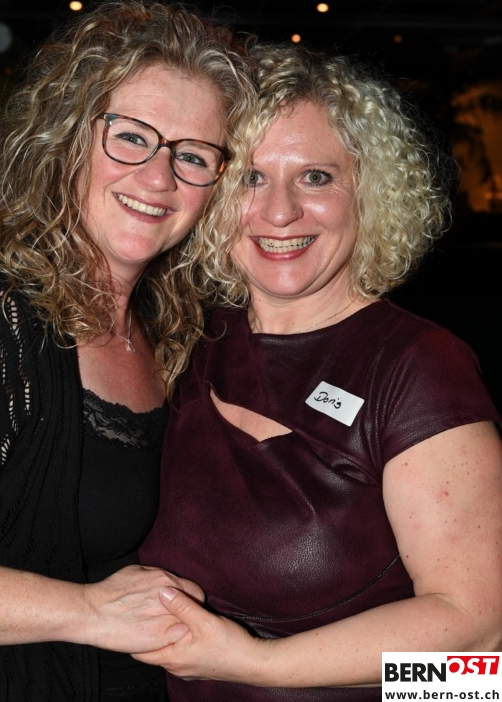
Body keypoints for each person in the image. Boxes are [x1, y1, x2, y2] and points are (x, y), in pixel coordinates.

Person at [137, 44, 502, 700]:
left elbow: (480, 653)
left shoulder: (418, 366)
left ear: (369, 192)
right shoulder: (187, 339)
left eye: (314, 177)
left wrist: (261, 666)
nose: (279, 211)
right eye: (250, 177)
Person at [0, 0, 255, 702]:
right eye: (130, 137)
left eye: (193, 156)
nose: (159, 178)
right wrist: (87, 612)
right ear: (66, 136)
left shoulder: (173, 326)